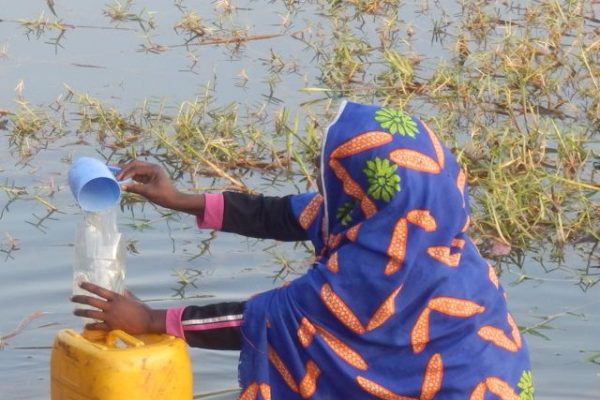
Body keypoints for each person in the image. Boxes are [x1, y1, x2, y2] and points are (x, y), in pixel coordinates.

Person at [72, 101, 533, 399]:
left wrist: (154, 321)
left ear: (362, 188)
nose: (319, 179)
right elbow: (277, 215)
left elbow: (262, 320)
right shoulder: (418, 227)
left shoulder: (368, 276)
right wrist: (178, 199)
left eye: (330, 172)